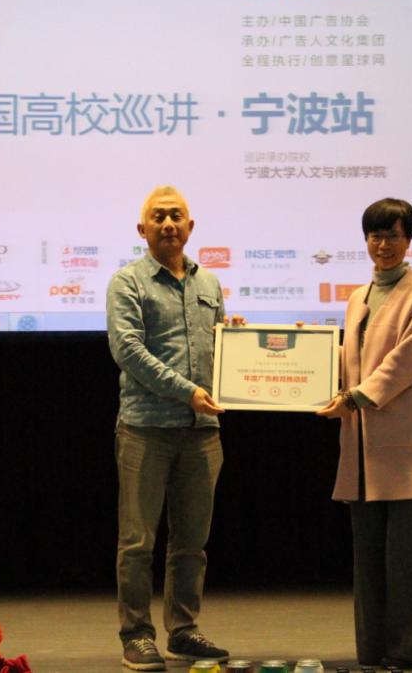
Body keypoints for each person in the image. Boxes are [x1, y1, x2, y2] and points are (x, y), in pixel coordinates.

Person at [317, 197, 412, 669]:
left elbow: (403, 363)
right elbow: (350, 360)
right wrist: (301, 354)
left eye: (393, 235)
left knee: (411, 557)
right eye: (375, 235)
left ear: (408, 240)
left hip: (405, 444)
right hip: (361, 445)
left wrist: (355, 397)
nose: (383, 244)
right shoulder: (358, 297)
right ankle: (375, 650)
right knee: (370, 556)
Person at [106, 185, 234, 671]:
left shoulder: (210, 284)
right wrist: (187, 391)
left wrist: (242, 344)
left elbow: (219, 349)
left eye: (176, 216)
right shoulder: (128, 282)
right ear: (142, 229)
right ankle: (137, 635)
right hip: (146, 429)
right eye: (158, 217)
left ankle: (183, 630)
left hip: (202, 430)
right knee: (138, 543)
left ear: (190, 226)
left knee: (191, 544)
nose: (168, 224)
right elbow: (129, 351)